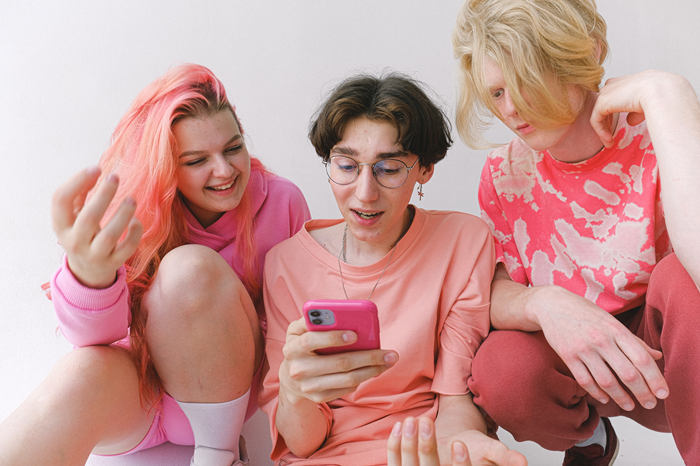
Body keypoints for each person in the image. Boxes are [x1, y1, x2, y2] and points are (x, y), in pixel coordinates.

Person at [0, 63, 310, 466]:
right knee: (82, 369)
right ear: (166, 165)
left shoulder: (282, 201)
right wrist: (89, 277)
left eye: (234, 148)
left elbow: (294, 323)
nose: (225, 170)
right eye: (197, 160)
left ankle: (220, 455)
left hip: (224, 398)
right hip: (142, 398)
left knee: (188, 270)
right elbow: (97, 339)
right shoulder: (134, 212)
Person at [453, 0, 700, 464]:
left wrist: (667, 93)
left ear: (578, 57)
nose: (512, 109)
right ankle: (589, 439)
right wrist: (548, 303)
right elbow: (495, 288)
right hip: (579, 362)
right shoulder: (503, 173)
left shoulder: (662, 135)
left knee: (681, 281)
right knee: (500, 366)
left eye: (525, 82)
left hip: (674, 359)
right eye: (498, 92)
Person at [258, 73, 526, 465]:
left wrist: (462, 445)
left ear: (425, 170)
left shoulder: (464, 241)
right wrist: (294, 389)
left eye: (389, 168)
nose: (365, 192)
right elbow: (303, 444)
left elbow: (454, 399)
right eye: (347, 166)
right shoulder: (286, 264)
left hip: (427, 450)